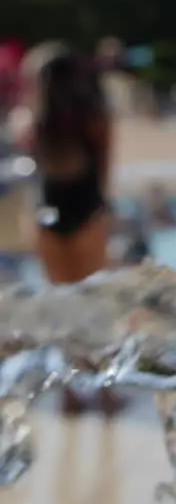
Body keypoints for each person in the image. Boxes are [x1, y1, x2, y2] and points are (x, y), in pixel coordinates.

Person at [25, 47, 128, 416]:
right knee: (96, 308)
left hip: (48, 218)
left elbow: (37, 172)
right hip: (86, 213)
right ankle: (105, 395)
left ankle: (69, 394)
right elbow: (102, 171)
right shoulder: (95, 117)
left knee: (61, 308)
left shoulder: (36, 122)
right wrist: (104, 210)